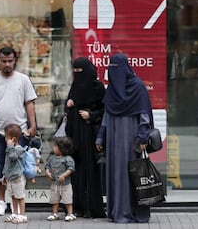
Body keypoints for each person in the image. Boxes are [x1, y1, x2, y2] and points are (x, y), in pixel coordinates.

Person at [0, 46, 38, 216]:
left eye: (10, 61)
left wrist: (33, 125)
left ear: (15, 61)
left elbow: (30, 103)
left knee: (18, 168)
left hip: (19, 132)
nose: (7, 64)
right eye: (3, 61)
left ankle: (16, 201)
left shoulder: (23, 79)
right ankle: (0, 201)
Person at [95, 53, 151, 223]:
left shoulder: (138, 87)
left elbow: (144, 114)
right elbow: (107, 114)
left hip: (130, 140)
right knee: (115, 174)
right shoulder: (111, 90)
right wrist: (101, 137)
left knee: (130, 174)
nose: (114, 72)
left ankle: (130, 212)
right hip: (113, 140)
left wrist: (142, 137)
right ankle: (116, 211)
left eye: (116, 68)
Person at [64, 57, 106, 218]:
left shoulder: (98, 87)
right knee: (76, 171)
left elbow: (104, 111)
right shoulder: (75, 86)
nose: (77, 75)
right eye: (74, 71)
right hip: (75, 136)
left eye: (80, 71)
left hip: (91, 135)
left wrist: (91, 115)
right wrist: (68, 105)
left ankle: (93, 207)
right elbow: (68, 109)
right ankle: (77, 206)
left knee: (91, 171)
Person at [45, 137, 76, 222]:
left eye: (55, 146)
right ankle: (55, 213)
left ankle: (70, 214)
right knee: (55, 200)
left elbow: (71, 168)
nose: (53, 148)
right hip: (55, 183)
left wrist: (63, 175)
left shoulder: (67, 159)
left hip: (65, 184)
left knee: (67, 199)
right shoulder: (52, 158)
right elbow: (47, 166)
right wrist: (47, 172)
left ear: (61, 148)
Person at [2, 124, 28, 224]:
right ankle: (15, 213)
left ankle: (22, 215)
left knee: (20, 196)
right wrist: (4, 175)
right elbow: (7, 163)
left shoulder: (18, 149)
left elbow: (13, 158)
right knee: (13, 195)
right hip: (10, 177)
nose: (5, 139)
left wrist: (10, 146)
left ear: (13, 139)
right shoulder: (10, 149)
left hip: (18, 177)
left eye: (6, 137)